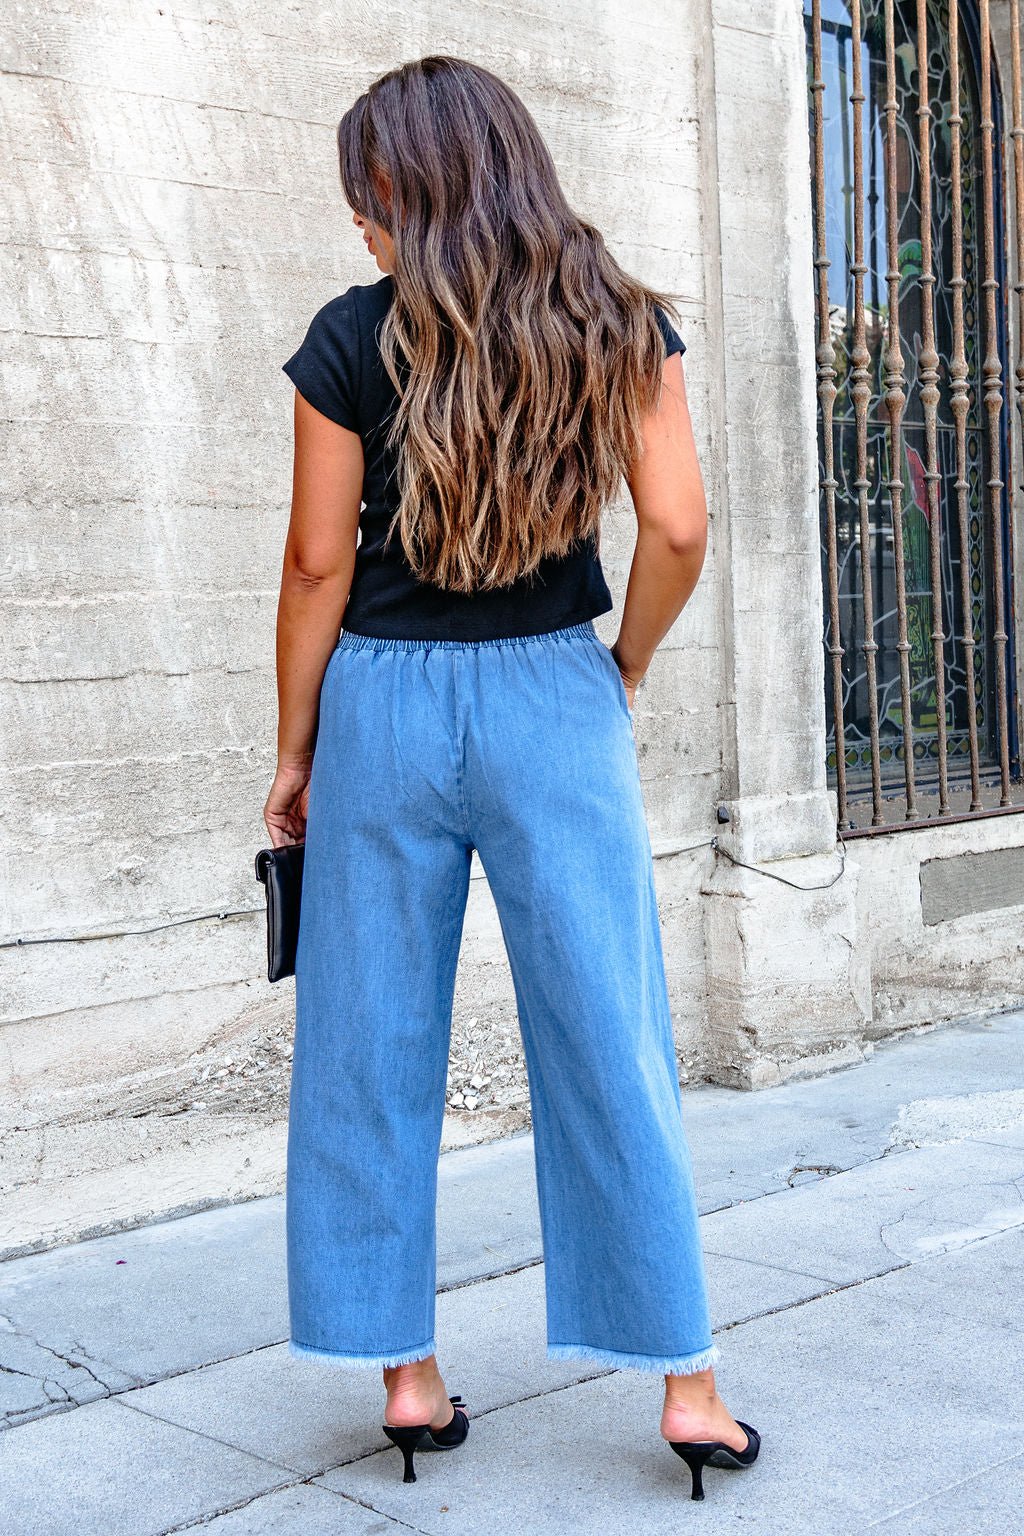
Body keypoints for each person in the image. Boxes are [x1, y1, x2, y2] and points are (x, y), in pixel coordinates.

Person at [264, 54, 760, 1500]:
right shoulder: (616, 321)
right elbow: (676, 526)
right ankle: (688, 1384)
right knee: (613, 1029)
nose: (359, 224)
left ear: (407, 195)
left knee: (368, 1036)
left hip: (383, 706)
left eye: (370, 195)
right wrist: (627, 666)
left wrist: (296, 751)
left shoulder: (348, 343)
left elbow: (312, 564)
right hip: (556, 689)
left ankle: (404, 1374)